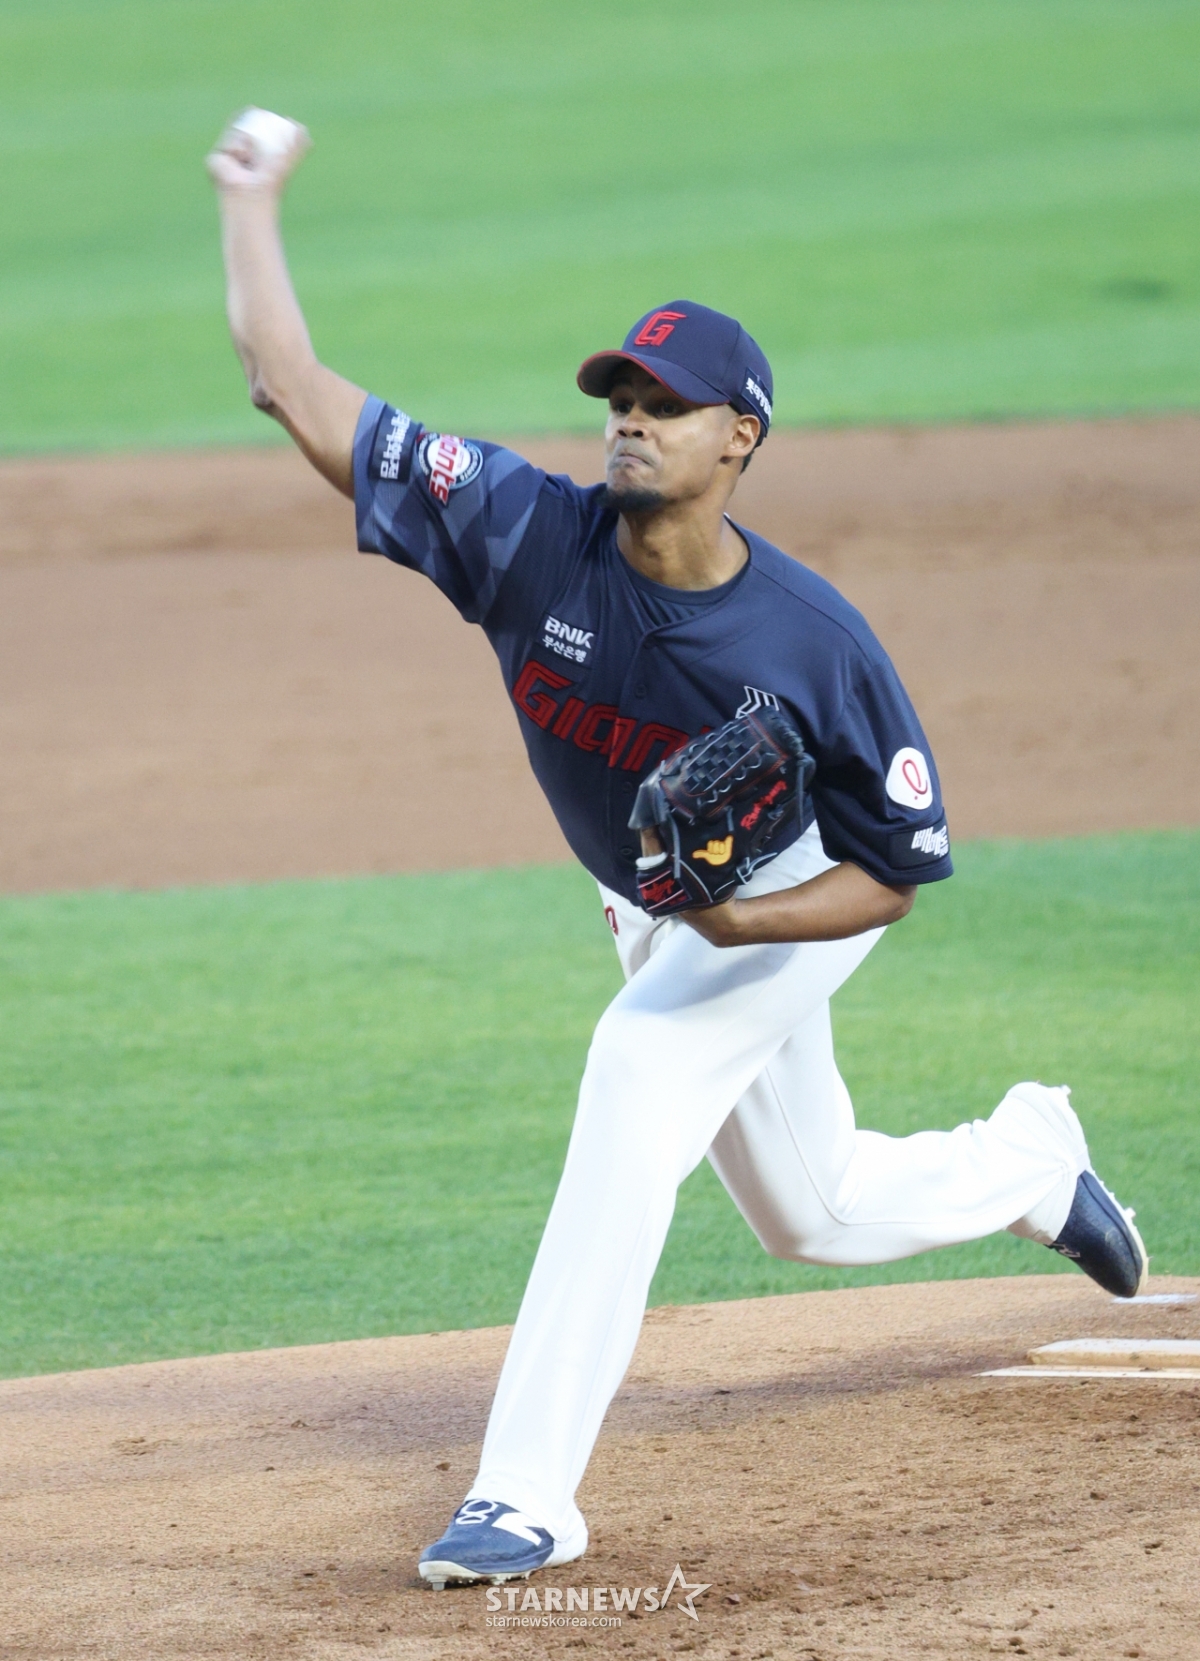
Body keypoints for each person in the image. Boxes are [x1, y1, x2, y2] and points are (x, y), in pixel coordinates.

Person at [207, 111, 1148, 1591]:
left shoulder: (816, 645)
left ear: (739, 437)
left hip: (786, 895)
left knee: (637, 1070)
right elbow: (294, 386)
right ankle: (1034, 1160)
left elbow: (895, 874)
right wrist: (249, 198)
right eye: (621, 396)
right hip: (659, 904)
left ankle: (526, 1493)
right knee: (813, 1210)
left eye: (668, 402)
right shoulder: (525, 531)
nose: (630, 419)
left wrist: (743, 928)